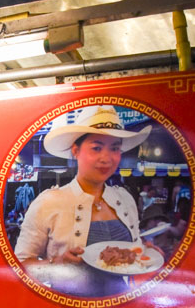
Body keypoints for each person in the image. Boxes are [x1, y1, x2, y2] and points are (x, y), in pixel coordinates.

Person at [13, 106, 151, 296]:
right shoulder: (48, 202)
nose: (107, 158)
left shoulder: (124, 199)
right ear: (76, 150)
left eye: (115, 148)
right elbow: (20, 268)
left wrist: (143, 251)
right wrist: (55, 265)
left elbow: (132, 252)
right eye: (96, 148)